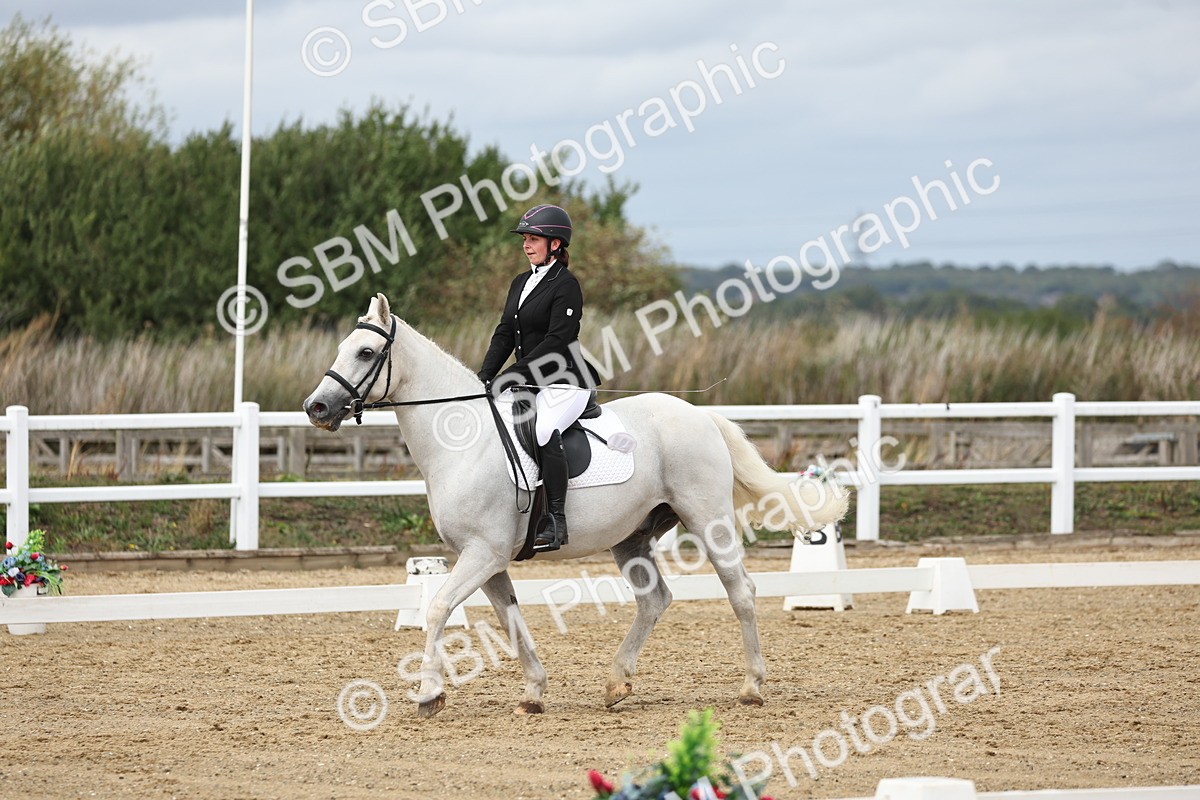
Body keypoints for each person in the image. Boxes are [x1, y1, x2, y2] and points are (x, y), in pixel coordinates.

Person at [477, 204, 601, 553]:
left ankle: (556, 520)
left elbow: (555, 341)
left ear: (556, 245)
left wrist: (514, 374)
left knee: (544, 429)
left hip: (565, 379)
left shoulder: (567, 285)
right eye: (525, 239)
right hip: (529, 379)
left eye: (534, 239)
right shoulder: (521, 282)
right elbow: (504, 334)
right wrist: (485, 376)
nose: (527, 245)